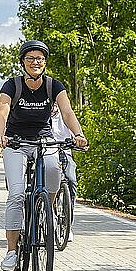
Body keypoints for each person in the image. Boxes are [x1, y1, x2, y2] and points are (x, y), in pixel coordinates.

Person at [0, 40, 88, 271]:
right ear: (23, 62)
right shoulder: (12, 85)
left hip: (44, 139)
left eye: (40, 59)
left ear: (44, 62)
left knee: (55, 169)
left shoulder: (53, 85)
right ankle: (11, 251)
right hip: (16, 141)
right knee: (16, 195)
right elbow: (2, 110)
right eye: (30, 58)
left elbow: (67, 111)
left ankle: (49, 209)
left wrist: (78, 134)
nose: (35, 62)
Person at [51, 103, 78, 242]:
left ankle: (68, 224)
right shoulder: (42, 114)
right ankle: (48, 214)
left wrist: (80, 139)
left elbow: (76, 132)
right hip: (47, 152)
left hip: (64, 151)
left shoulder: (65, 115)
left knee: (71, 180)